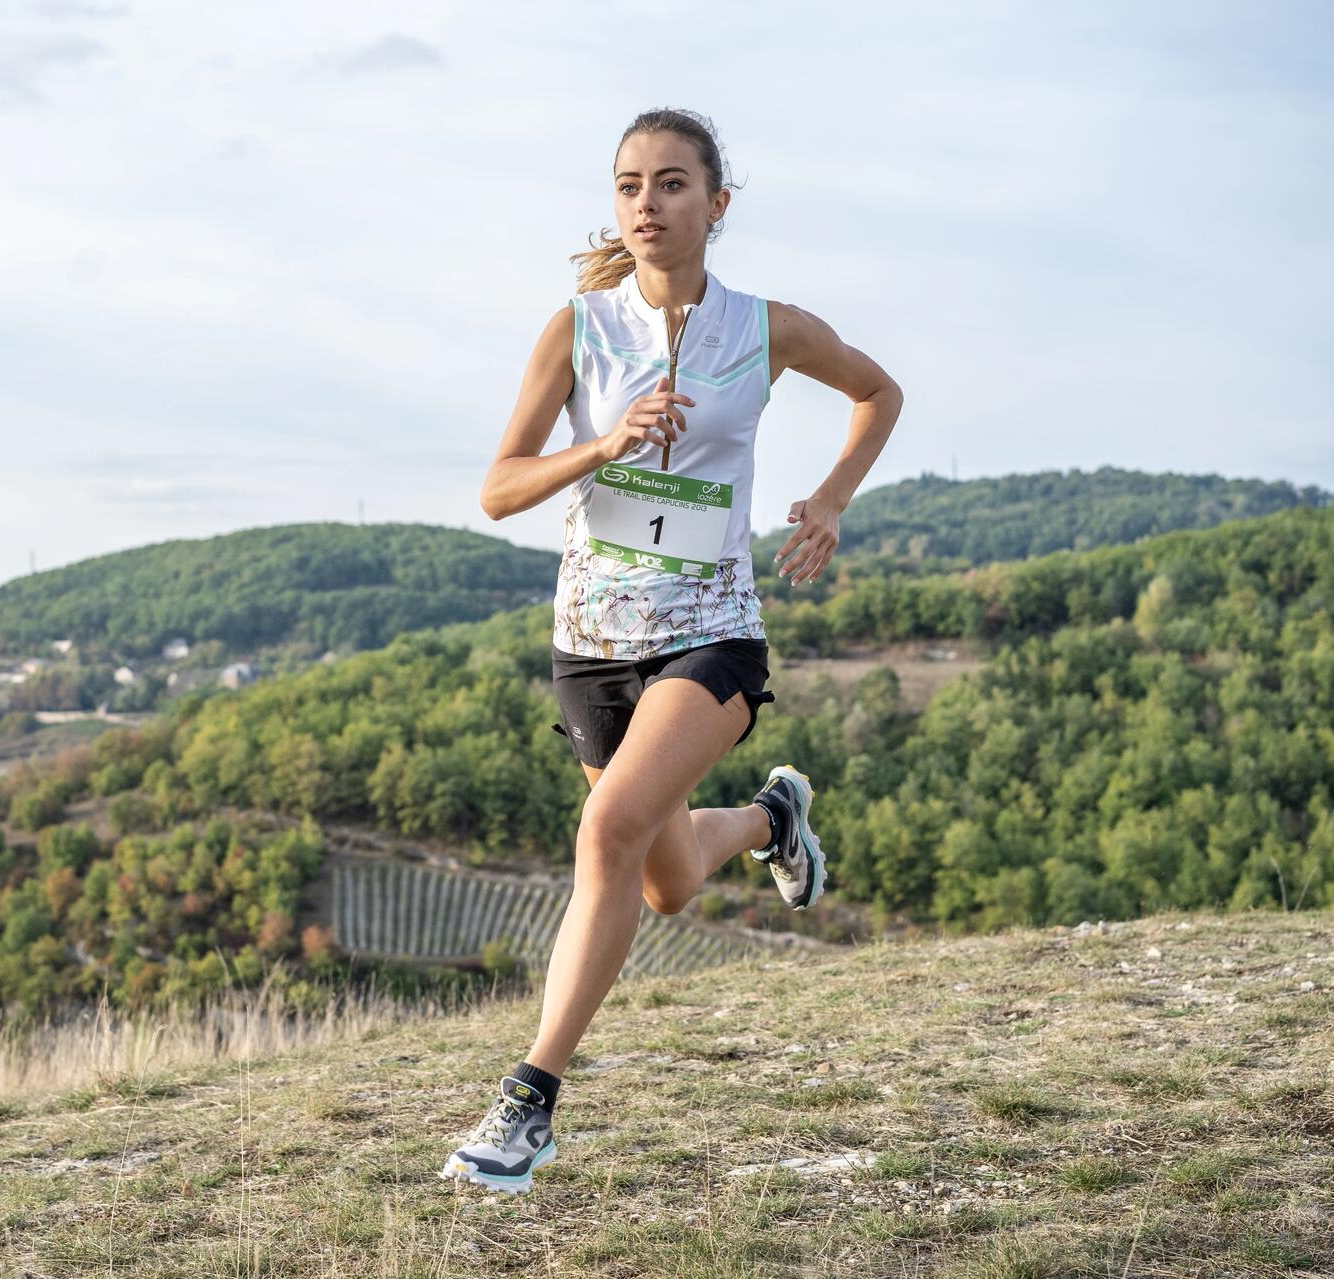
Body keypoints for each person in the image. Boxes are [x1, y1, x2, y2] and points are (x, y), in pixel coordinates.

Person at [440, 108, 902, 1195]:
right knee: (663, 882)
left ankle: (529, 1100)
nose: (647, 203)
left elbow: (879, 392)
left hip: (712, 634)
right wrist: (600, 444)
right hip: (592, 646)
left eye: (673, 184)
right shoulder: (578, 328)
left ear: (716, 205)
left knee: (603, 828)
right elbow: (499, 487)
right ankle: (770, 819)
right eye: (629, 186)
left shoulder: (768, 327)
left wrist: (830, 500)